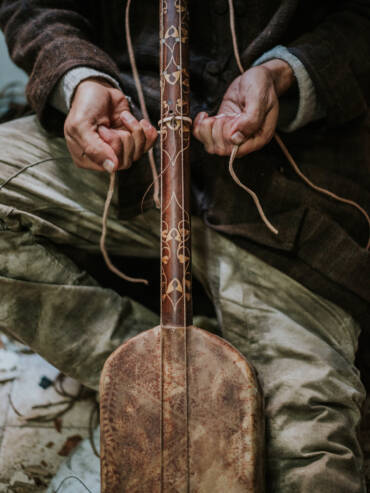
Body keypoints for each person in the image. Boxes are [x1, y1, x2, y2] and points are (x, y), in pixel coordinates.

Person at [0, 0, 369, 491]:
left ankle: (235, 380)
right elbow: (36, 6)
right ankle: (166, 378)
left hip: (289, 206)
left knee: (311, 465)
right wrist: (79, 78)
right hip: (132, 151)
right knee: (182, 403)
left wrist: (285, 74)